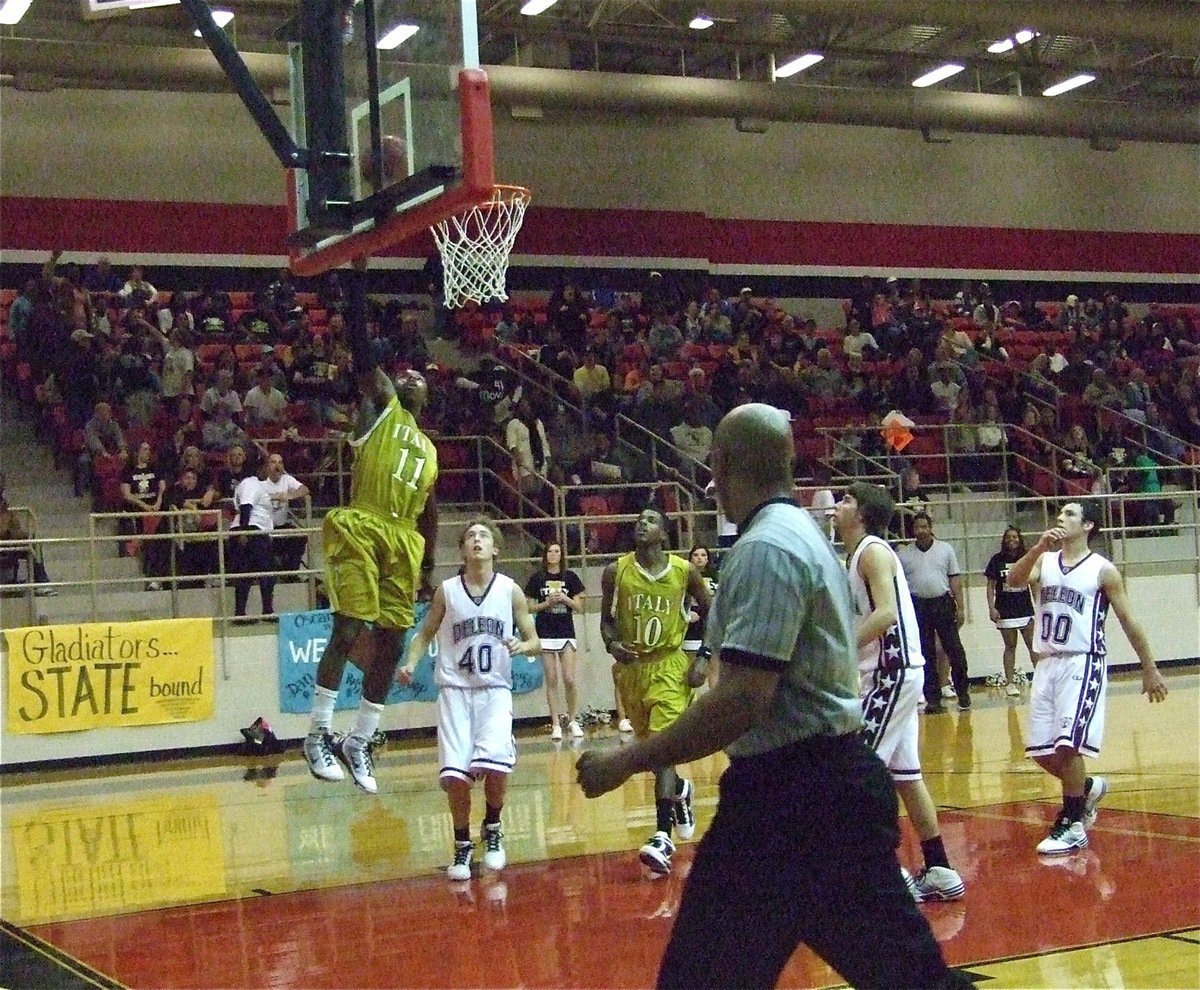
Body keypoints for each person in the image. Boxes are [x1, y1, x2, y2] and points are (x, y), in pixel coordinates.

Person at [576, 404, 970, 990]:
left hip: (790, 801)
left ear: (724, 464)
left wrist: (628, 759)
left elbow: (742, 701)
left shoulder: (766, 549)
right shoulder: (805, 537)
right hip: (825, 794)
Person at [302, 259, 439, 796]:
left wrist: (428, 563)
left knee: (391, 641)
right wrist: (358, 282)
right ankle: (317, 734)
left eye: (418, 378)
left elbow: (429, 511)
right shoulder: (384, 407)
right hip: (364, 524)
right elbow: (362, 350)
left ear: (430, 399)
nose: (409, 376)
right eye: (403, 374)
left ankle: (359, 740)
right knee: (349, 626)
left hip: (404, 540)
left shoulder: (429, 452)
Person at [1005, 499, 1168, 855]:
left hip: (1083, 661)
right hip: (1046, 663)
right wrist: (1036, 547)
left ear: (1088, 526)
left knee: (1067, 745)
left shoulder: (1103, 570)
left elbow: (1128, 620)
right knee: (1039, 751)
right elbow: (1014, 582)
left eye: (1069, 514)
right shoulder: (1044, 561)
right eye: (1060, 513)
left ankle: (1073, 823)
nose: (1060, 518)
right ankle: (1087, 788)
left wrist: (1149, 667)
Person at [833, 483, 966, 903]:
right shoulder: (855, 556)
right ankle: (940, 867)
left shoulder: (872, 551)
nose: (838, 505)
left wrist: (839, 649)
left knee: (856, 775)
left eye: (847, 500)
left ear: (864, 513)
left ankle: (890, 874)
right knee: (905, 775)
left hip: (892, 671)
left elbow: (887, 613)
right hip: (890, 673)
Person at [398, 519, 540, 881]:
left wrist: (523, 646)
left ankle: (493, 827)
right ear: (462, 550)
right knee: (456, 776)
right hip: (455, 693)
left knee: (495, 764)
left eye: (484, 536)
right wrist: (411, 662)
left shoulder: (510, 590)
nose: (477, 540)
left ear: (495, 549)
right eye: (470, 537)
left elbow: (534, 639)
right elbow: (424, 633)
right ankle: (462, 844)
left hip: (494, 691)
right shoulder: (447, 591)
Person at [599, 507, 711, 876]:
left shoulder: (684, 572)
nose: (640, 524)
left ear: (663, 533)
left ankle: (662, 836)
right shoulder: (616, 571)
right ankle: (679, 791)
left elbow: (715, 612)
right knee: (653, 754)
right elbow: (606, 622)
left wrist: (704, 658)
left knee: (663, 747)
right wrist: (612, 645)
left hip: (669, 667)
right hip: (633, 671)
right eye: (639, 519)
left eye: (650, 520)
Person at [897, 512, 971, 713]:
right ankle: (933, 699)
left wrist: (961, 607)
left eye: (924, 526)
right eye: (917, 527)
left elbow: (955, 580)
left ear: (931, 528)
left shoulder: (945, 549)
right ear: (912, 530)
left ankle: (963, 692)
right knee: (925, 654)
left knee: (954, 650)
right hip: (918, 606)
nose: (921, 530)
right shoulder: (903, 555)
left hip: (942, 603)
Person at [524, 542, 586, 740]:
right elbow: (529, 607)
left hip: (566, 631)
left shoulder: (570, 577)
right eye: (550, 551)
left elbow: (580, 606)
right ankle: (556, 723)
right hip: (545, 632)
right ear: (545, 555)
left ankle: (573, 719)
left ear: (562, 554)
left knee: (569, 678)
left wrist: (565, 600)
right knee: (551, 679)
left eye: (557, 551)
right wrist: (547, 603)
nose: (553, 554)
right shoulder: (537, 578)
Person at [984, 527, 1037, 698]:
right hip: (1005, 609)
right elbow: (991, 585)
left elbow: (1034, 584)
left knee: (1033, 645)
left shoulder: (1027, 558)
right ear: (1004, 540)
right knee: (1010, 646)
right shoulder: (997, 560)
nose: (1011, 540)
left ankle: (1041, 680)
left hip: (1025, 608)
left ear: (1020, 539)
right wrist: (991, 607)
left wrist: (1041, 606)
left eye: (1015, 537)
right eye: (1008, 537)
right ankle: (1010, 682)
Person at [230, 462, 276, 619]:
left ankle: (241, 613)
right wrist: (244, 532)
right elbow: (246, 506)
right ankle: (265, 611)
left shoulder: (259, 486)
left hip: (254, 530)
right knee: (262, 571)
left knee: (247, 573)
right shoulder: (251, 483)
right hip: (251, 530)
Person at [682, 545, 719, 688]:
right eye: (696, 555)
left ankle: (715, 703)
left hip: (711, 621)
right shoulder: (684, 576)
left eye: (703, 555)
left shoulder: (716, 576)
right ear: (690, 558)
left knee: (713, 663)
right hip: (691, 624)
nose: (699, 558)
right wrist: (686, 614)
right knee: (690, 665)